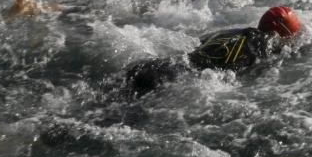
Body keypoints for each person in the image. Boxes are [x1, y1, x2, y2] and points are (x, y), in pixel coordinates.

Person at [122, 6, 302, 98]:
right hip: (173, 78)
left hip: (160, 64)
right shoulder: (263, 50)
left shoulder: (233, 31)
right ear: (278, 35)